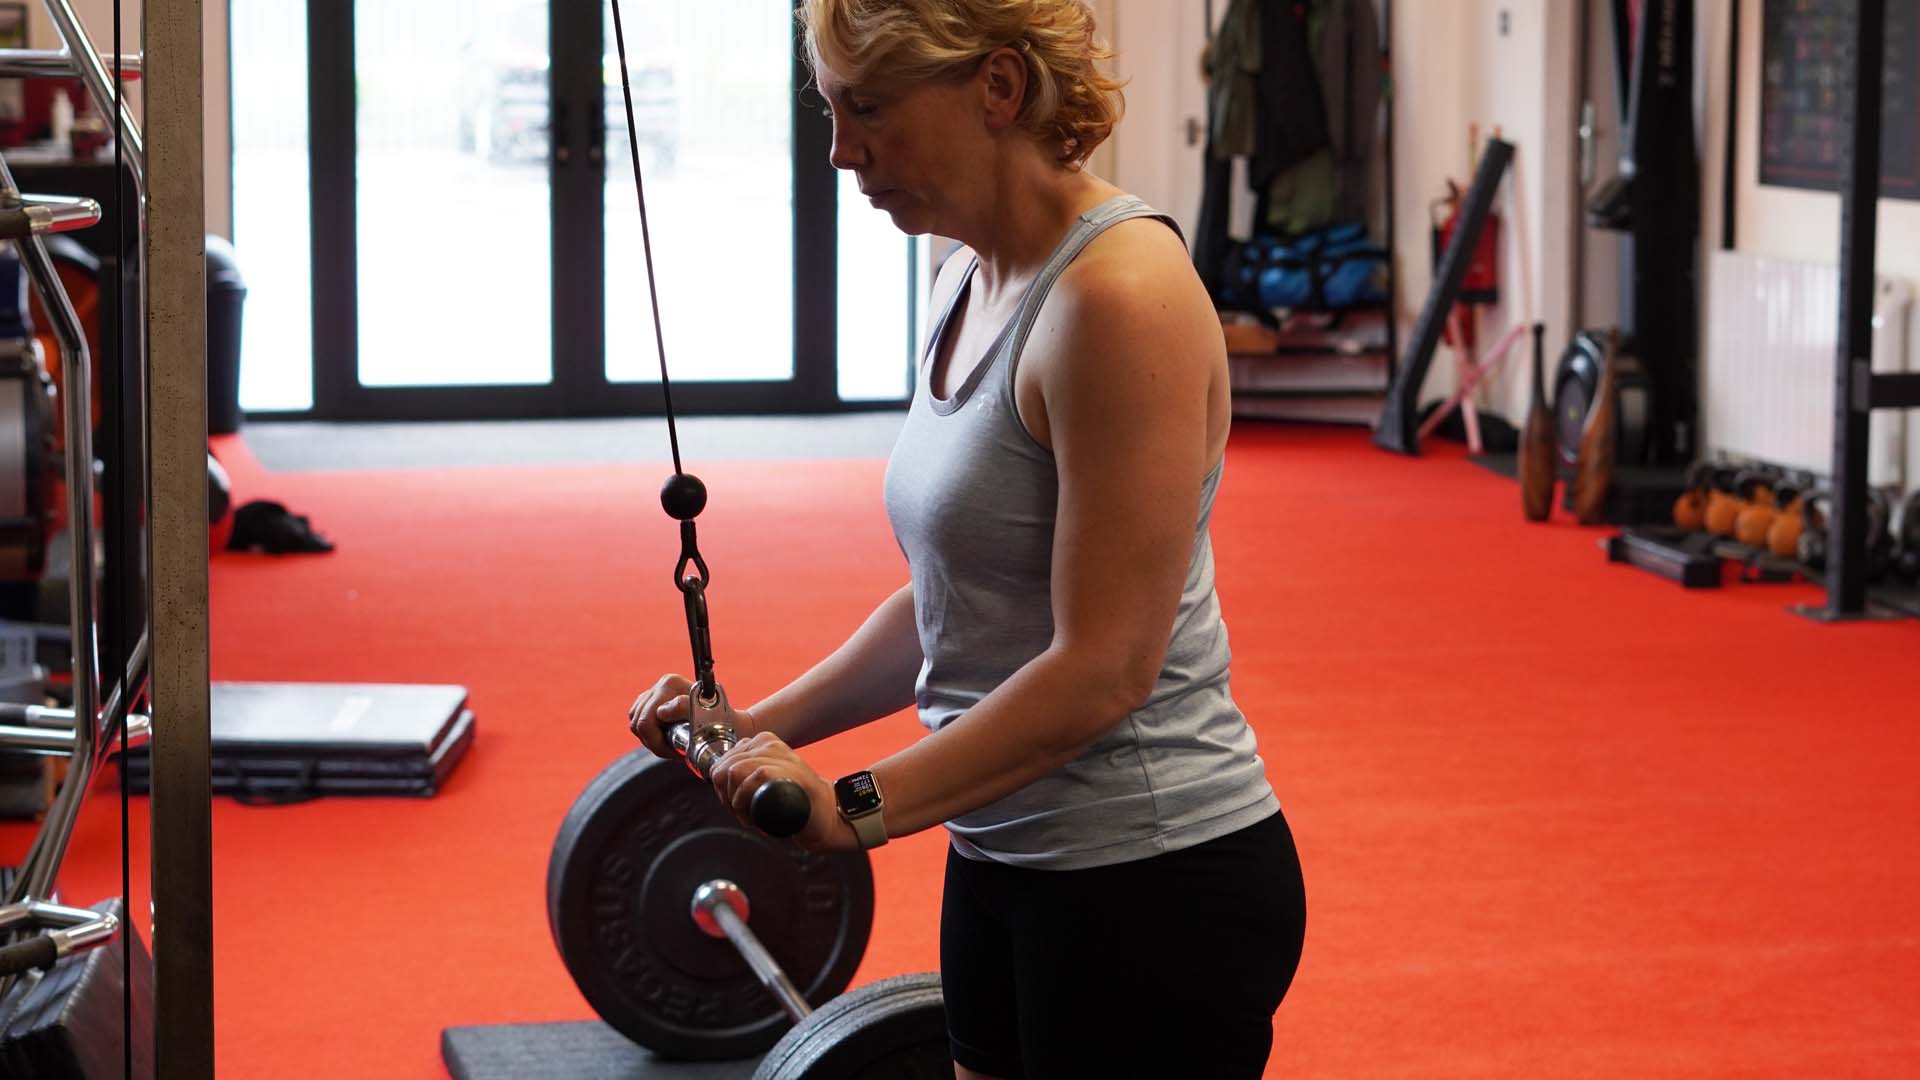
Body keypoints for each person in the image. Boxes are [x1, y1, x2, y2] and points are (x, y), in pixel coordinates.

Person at [629, 2, 1306, 1076]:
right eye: (832, 111)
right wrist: (757, 725)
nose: (845, 151)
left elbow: (1104, 669)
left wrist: (857, 806)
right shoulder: (963, 280)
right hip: (999, 854)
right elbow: (952, 600)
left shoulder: (1120, 297)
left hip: (1153, 879)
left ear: (998, 88)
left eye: (873, 110)